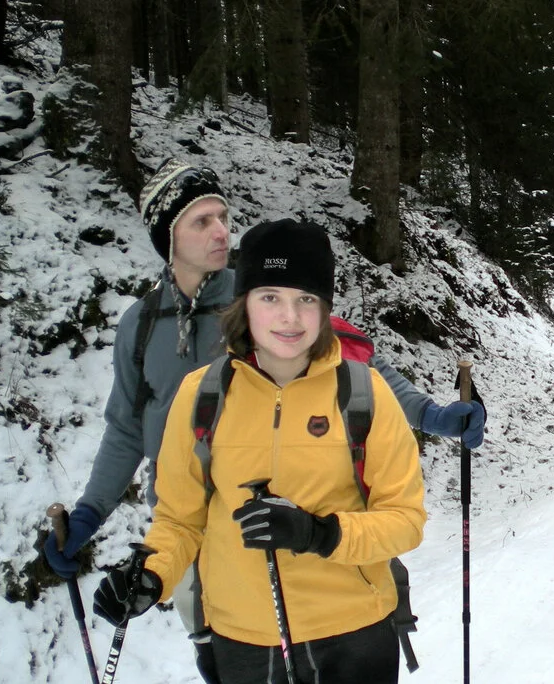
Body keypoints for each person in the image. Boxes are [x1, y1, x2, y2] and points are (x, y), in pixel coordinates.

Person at [43, 159, 484, 682]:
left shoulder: (264, 290)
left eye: (223, 217)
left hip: (342, 601)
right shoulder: (143, 327)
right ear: (168, 236)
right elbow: (127, 431)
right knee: (215, 655)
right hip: (211, 558)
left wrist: (432, 415)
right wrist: (99, 521)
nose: (220, 232)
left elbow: (359, 364)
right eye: (201, 221)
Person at [90, 218, 427, 684]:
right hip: (241, 640)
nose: (289, 317)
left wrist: (319, 534)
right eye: (270, 297)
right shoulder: (201, 395)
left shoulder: (363, 392)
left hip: (354, 635)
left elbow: (405, 521)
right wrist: (151, 575)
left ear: (324, 308)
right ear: (243, 303)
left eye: (306, 299)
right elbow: (180, 519)